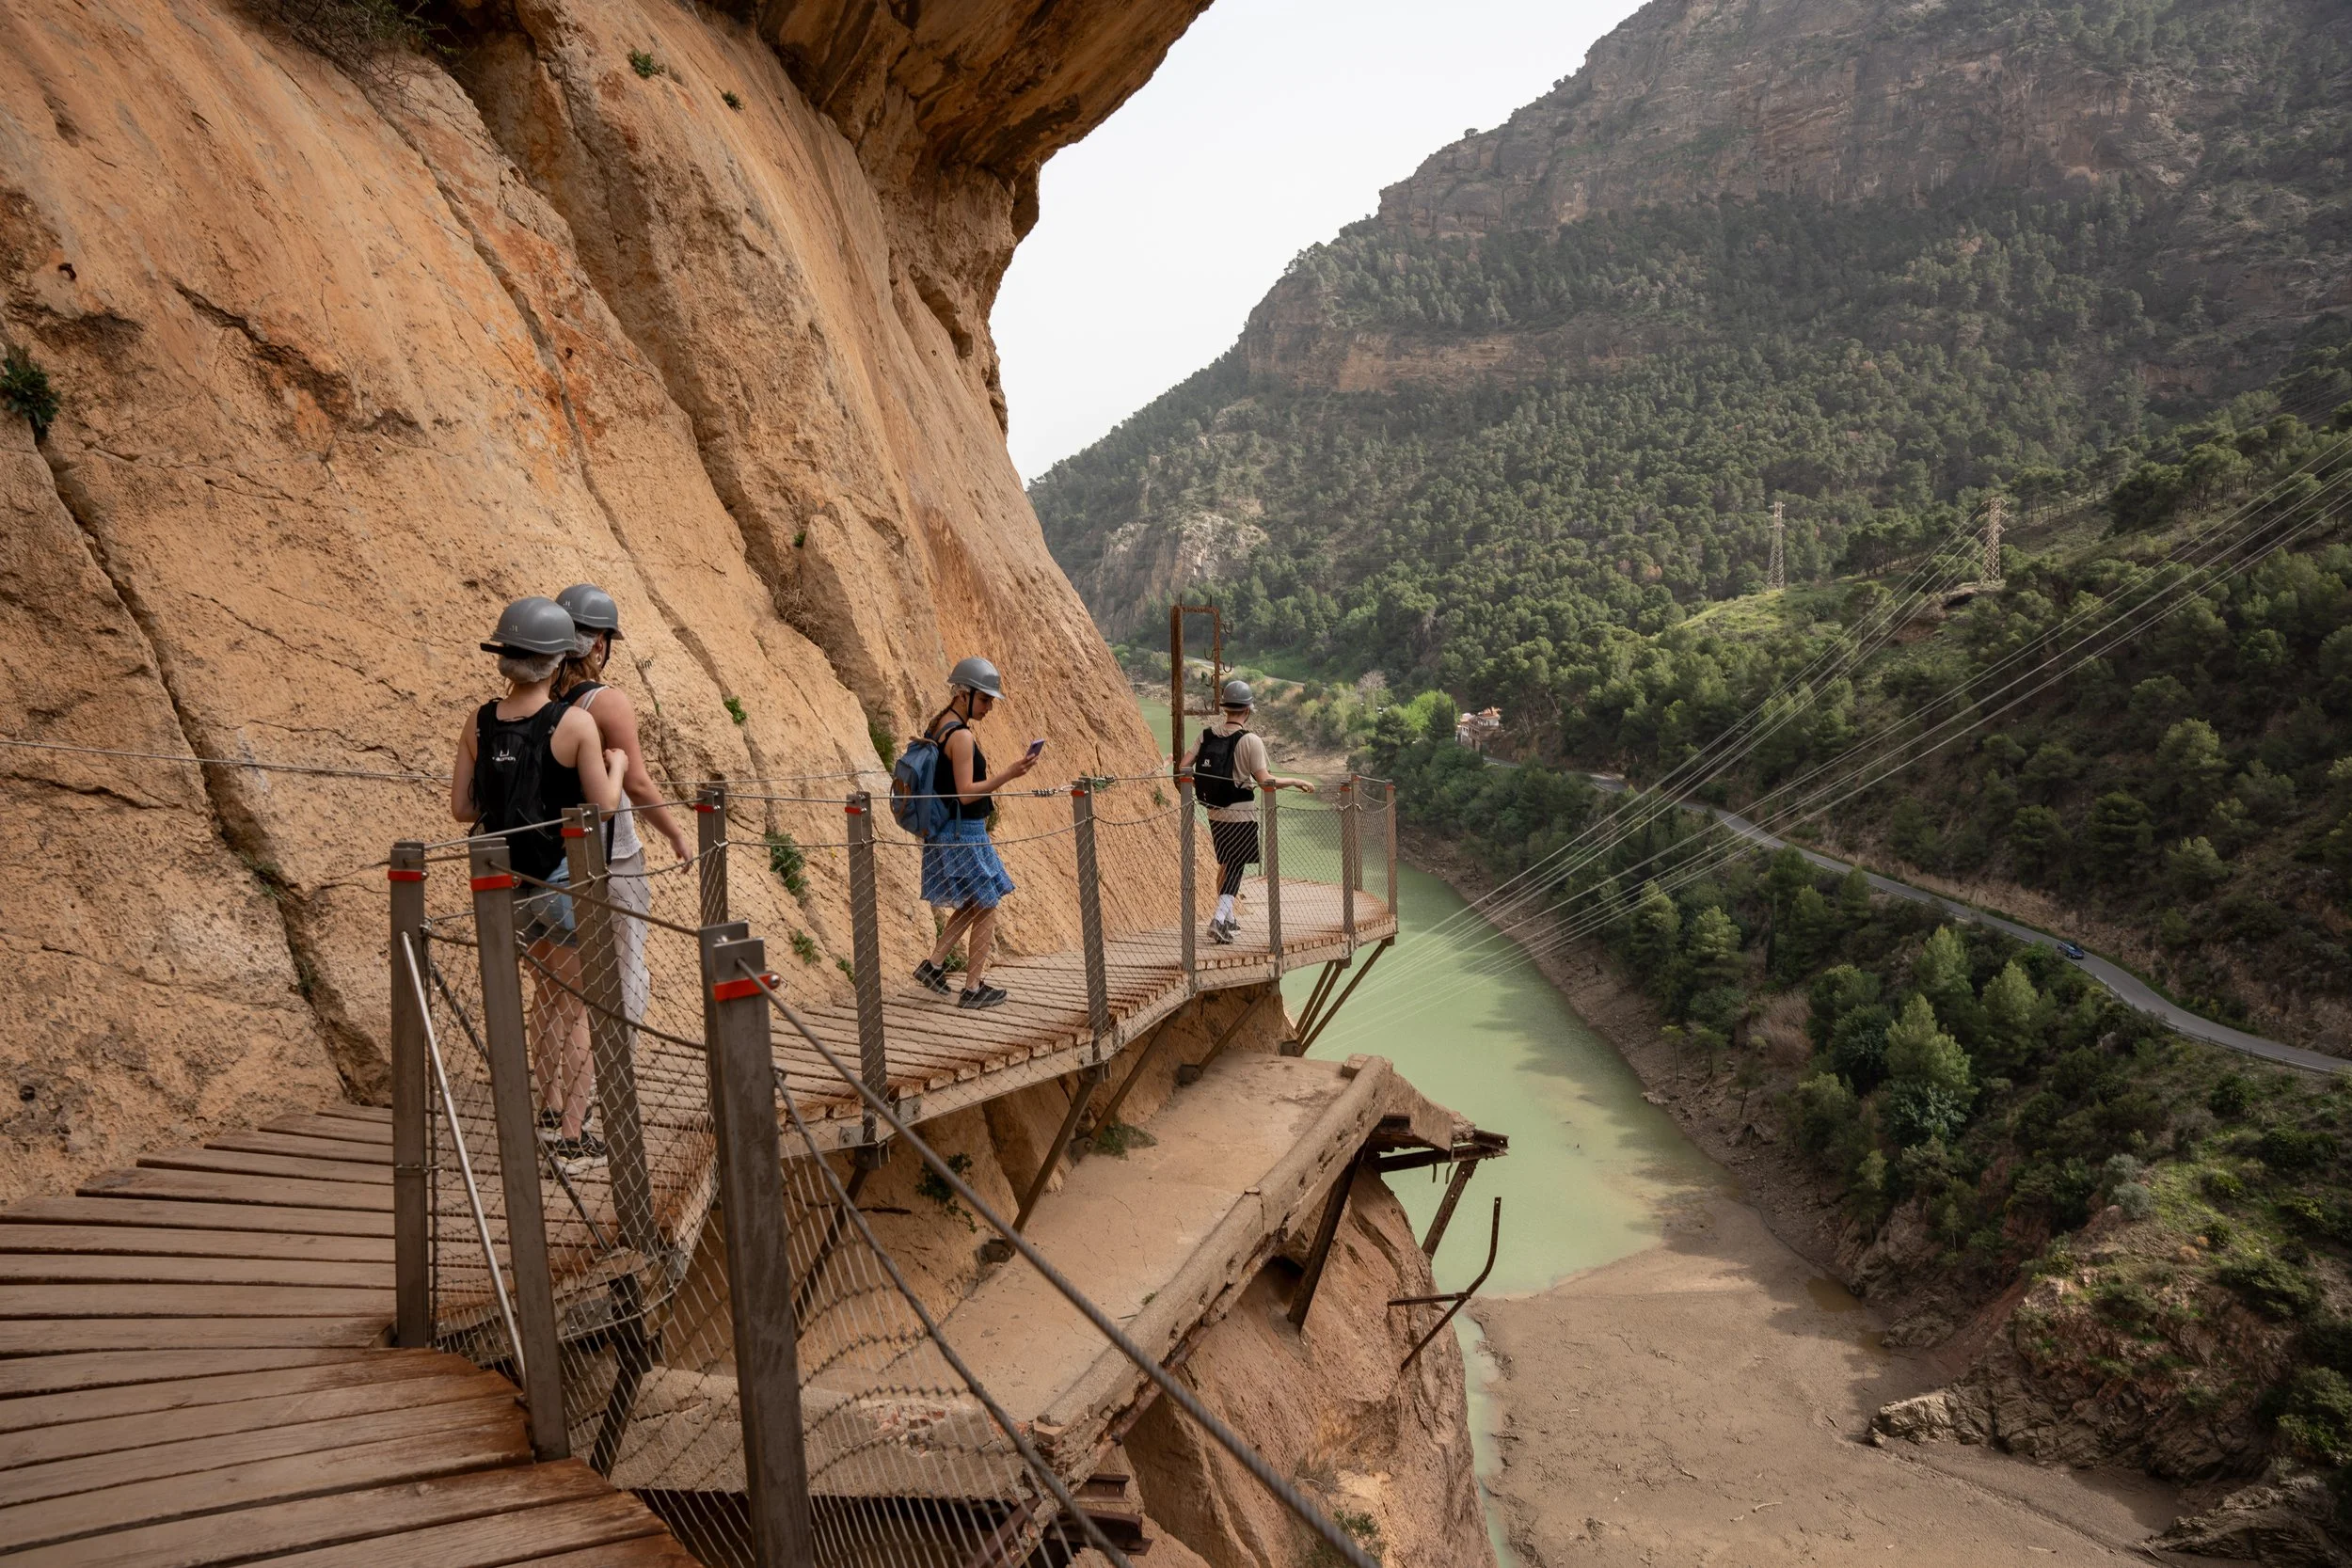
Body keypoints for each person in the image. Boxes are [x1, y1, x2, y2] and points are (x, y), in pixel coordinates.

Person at [449, 596, 626, 1158]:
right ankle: (571, 1134)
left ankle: (551, 1110)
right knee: (575, 1005)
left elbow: (461, 807)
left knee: (545, 999)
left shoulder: (479, 722)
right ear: (556, 662)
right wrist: (617, 765)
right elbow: (602, 809)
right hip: (565, 881)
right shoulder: (574, 724)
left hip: (509, 883)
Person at [553, 583, 692, 1067]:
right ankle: (612, 1079)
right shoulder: (605, 701)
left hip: (554, 858)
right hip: (610, 855)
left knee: (561, 988)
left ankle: (563, 1100)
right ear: (598, 644)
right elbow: (636, 781)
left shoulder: (539, 695)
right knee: (625, 966)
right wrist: (675, 833)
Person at [911, 657, 1038, 1008]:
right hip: (964, 831)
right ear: (964, 694)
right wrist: (1011, 773)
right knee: (988, 901)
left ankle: (934, 966)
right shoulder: (962, 736)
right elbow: (966, 792)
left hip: (947, 828)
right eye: (984, 700)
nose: (989, 707)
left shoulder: (939, 724)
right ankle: (972, 988)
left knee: (974, 900)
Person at [1186, 679, 1314, 944]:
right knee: (1236, 865)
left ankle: (1229, 916)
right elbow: (1266, 781)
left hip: (1215, 811)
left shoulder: (1206, 735)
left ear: (1225, 708)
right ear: (1247, 710)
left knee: (1225, 863)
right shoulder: (1251, 740)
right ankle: (1219, 917)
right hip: (1242, 813)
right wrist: (1296, 781)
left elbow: (1186, 765)